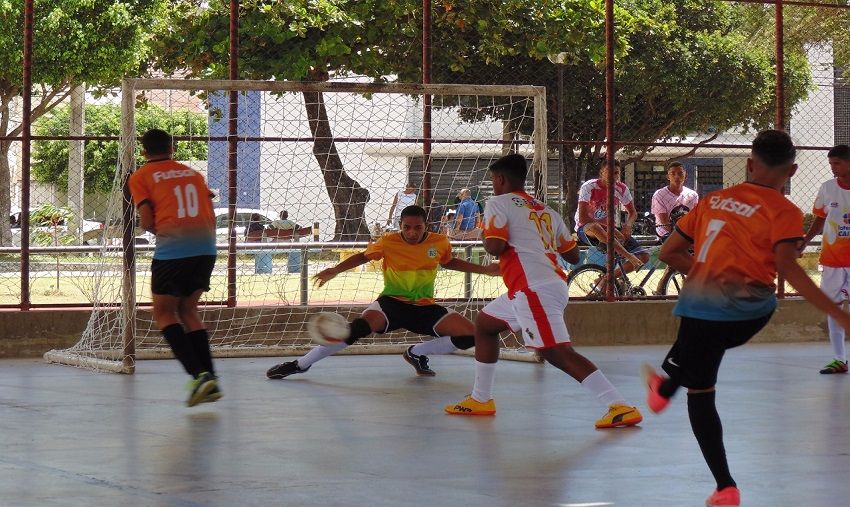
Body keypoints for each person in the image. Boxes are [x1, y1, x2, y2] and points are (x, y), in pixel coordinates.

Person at [642, 130, 850, 507]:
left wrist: (707, 271)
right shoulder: (784, 211)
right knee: (702, 356)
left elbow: (670, 252)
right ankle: (668, 387)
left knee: (700, 392)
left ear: (750, 164)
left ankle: (723, 483)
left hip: (703, 310)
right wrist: (838, 313)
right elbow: (789, 267)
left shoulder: (710, 200)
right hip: (753, 311)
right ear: (792, 170)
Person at [444, 153, 644, 429]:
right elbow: (573, 255)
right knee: (485, 325)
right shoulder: (545, 210)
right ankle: (480, 399)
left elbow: (494, 247)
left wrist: (488, 231)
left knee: (555, 352)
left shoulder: (497, 203)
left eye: (492, 179)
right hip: (545, 284)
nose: (493, 184)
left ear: (500, 179)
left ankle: (619, 405)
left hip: (533, 289)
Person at [266, 205, 500, 380]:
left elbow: (449, 262)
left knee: (474, 335)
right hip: (392, 303)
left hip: (425, 306)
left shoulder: (439, 242)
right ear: (400, 226)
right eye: (406, 227)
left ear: (426, 225)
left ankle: (416, 353)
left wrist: (485, 270)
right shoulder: (388, 242)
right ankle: (300, 364)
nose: (411, 232)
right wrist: (335, 270)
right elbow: (362, 256)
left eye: (417, 227)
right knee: (356, 329)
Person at [128, 129, 220, 407]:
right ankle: (211, 379)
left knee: (164, 313)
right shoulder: (193, 173)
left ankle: (198, 376)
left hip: (174, 251)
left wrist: (163, 230)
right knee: (189, 310)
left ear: (144, 152)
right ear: (172, 149)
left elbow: (146, 221)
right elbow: (206, 206)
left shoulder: (141, 176)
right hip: (206, 248)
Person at [801, 144, 850, 374]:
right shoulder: (827, 188)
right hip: (832, 259)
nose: (832, 168)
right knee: (833, 308)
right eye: (830, 164)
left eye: (837, 163)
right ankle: (839, 359)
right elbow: (819, 218)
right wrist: (804, 240)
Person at [575, 160, 649, 275]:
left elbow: (633, 212)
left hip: (609, 229)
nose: (612, 176)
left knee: (643, 256)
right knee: (596, 226)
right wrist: (613, 230)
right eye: (608, 172)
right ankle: (630, 257)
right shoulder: (589, 186)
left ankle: (604, 282)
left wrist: (628, 225)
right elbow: (583, 218)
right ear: (601, 173)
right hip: (586, 229)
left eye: (616, 173)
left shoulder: (621, 188)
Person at [651, 162, 700, 294]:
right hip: (665, 231)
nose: (677, 176)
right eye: (673, 173)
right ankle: (662, 290)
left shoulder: (692, 195)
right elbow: (664, 220)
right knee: (679, 252)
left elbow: (694, 219)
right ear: (668, 176)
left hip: (687, 233)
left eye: (680, 173)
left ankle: (688, 287)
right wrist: (680, 238)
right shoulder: (660, 195)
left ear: (686, 175)